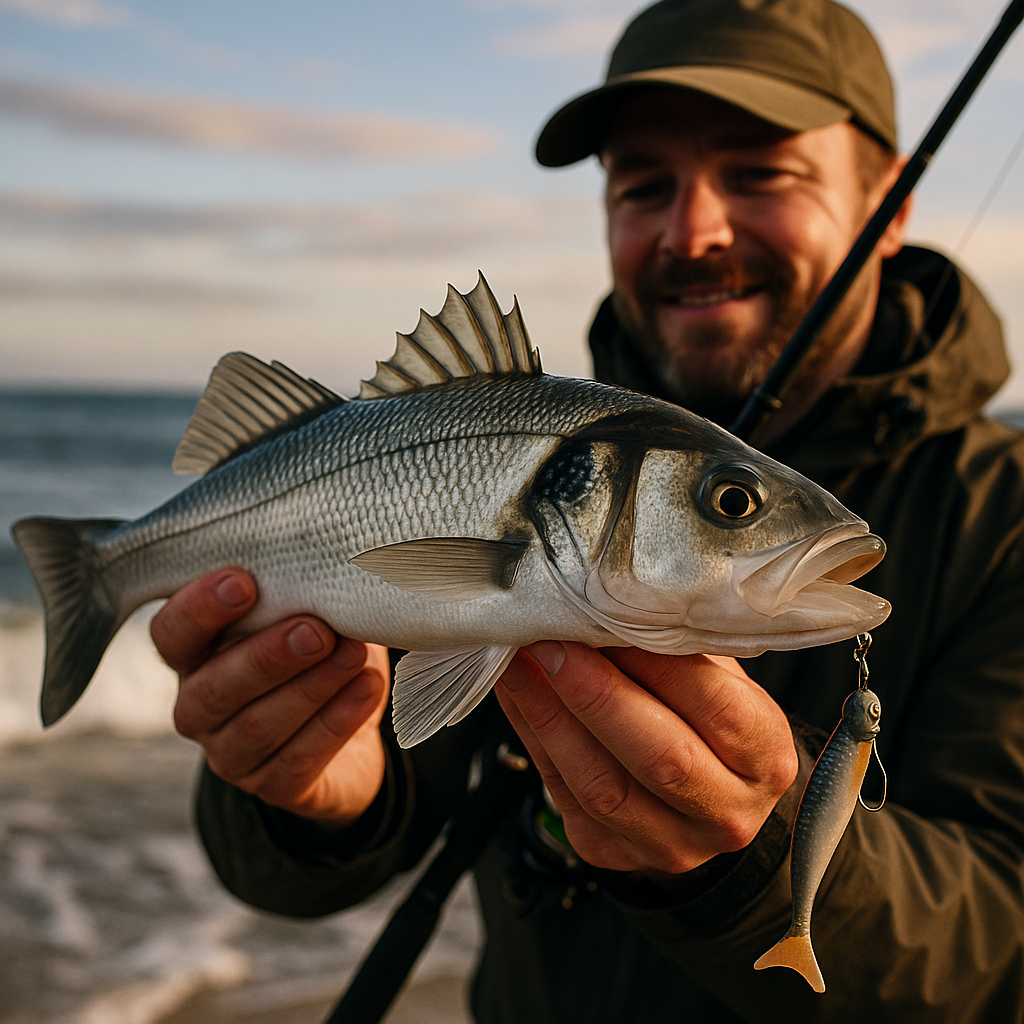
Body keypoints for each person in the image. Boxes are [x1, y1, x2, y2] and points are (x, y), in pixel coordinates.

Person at [150, 0, 1024, 1019]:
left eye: (759, 173)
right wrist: (309, 801)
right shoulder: (502, 447)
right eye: (644, 184)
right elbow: (313, 863)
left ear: (890, 201)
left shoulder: (1001, 521)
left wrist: (758, 871)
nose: (692, 231)